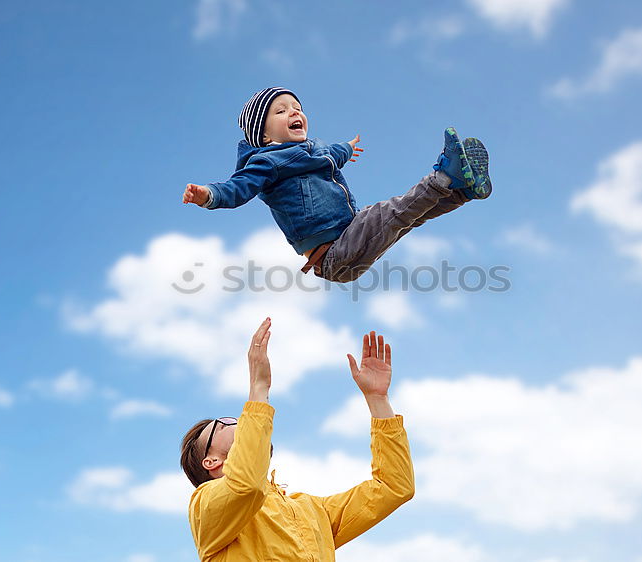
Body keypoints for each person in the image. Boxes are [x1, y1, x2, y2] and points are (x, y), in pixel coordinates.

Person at [182, 86, 493, 283]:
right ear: (264, 137)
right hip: (333, 255)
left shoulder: (312, 151)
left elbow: (331, 154)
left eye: (297, 107)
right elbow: (237, 188)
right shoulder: (265, 162)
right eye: (280, 111)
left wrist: (347, 147)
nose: (294, 112)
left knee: (406, 217)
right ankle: (443, 178)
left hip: (347, 237)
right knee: (390, 212)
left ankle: (461, 191)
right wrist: (208, 195)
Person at [179, 317, 414, 561]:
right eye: (224, 424)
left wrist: (378, 400)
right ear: (211, 461)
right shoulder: (204, 507)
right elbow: (247, 485)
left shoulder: (312, 510)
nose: (240, 422)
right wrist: (258, 388)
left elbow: (393, 487)